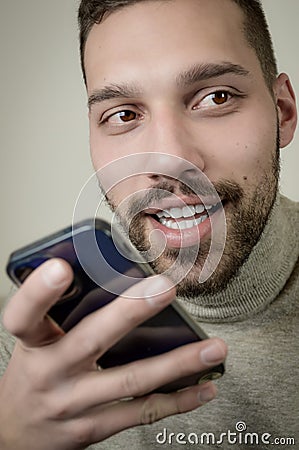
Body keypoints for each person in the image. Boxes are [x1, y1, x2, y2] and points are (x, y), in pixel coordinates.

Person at [0, 0, 298, 448]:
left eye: (216, 97)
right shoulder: (27, 347)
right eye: (124, 115)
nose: (172, 161)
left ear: (282, 112)